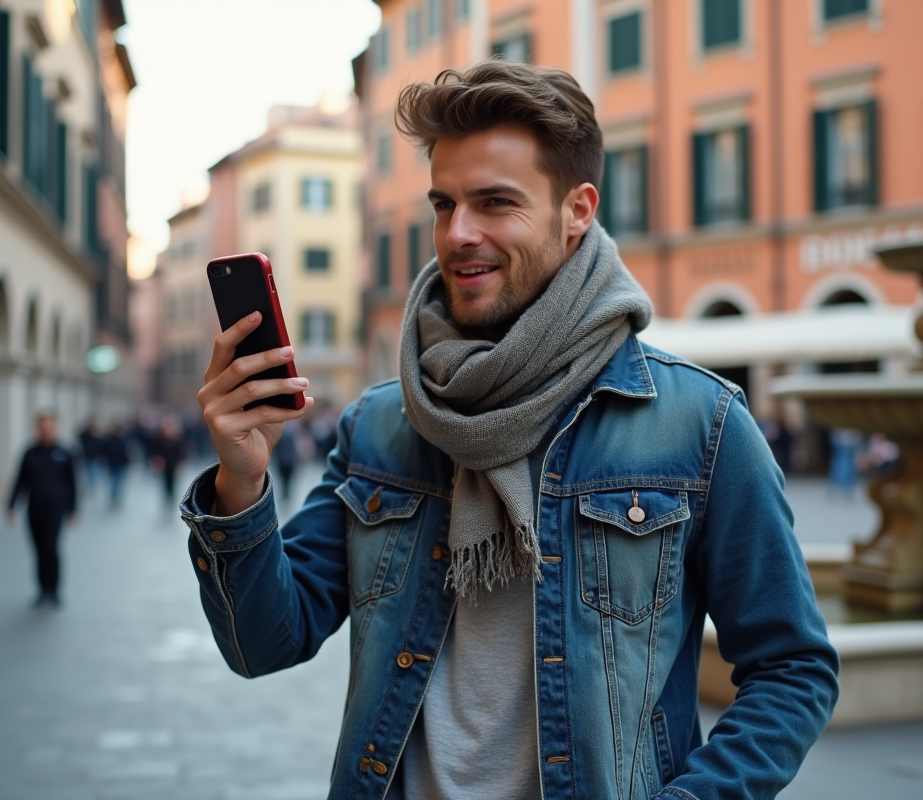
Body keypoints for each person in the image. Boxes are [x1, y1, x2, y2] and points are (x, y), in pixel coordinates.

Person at [182, 61, 837, 800]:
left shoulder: (701, 425)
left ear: (577, 209)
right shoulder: (381, 425)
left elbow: (792, 669)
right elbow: (262, 642)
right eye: (444, 204)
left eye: (495, 203)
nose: (459, 234)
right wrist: (241, 480)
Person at [8, 412, 77, 607]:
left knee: (51, 547)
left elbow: (72, 483)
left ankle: (54, 590)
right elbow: (20, 481)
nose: (46, 430)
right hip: (35, 509)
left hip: (56, 508)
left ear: (56, 428)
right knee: (38, 550)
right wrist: (12, 507)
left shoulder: (64, 453)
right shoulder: (30, 453)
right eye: (42, 426)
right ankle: (41, 589)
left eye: (50, 426)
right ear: (38, 428)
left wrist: (73, 510)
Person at [151, 415, 187, 507]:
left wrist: (181, 463)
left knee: (173, 482)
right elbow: (156, 452)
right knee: (165, 482)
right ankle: (167, 498)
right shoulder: (160, 439)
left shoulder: (178, 440)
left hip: (173, 464)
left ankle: (171, 498)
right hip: (165, 465)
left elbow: (181, 453)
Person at [102, 422, 131, 510]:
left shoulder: (122, 440)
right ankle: (114, 496)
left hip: (120, 463)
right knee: (115, 481)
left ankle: (116, 496)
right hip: (112, 463)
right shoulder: (109, 440)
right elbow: (105, 451)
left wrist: (127, 462)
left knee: (117, 481)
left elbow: (124, 452)